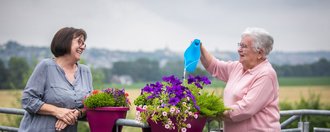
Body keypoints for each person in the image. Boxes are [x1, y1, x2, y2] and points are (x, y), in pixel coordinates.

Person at [200, 27, 280, 131]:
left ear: (259, 53)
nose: (239, 49)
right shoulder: (238, 67)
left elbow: (245, 109)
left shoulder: (266, 74)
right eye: (240, 45)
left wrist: (213, 112)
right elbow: (215, 66)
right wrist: (200, 49)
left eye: (244, 46)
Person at [18, 27, 93, 132]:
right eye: (79, 42)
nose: (83, 47)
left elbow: (90, 105)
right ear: (65, 42)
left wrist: (76, 113)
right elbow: (28, 100)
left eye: (84, 43)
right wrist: (57, 111)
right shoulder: (46, 66)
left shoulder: (85, 71)